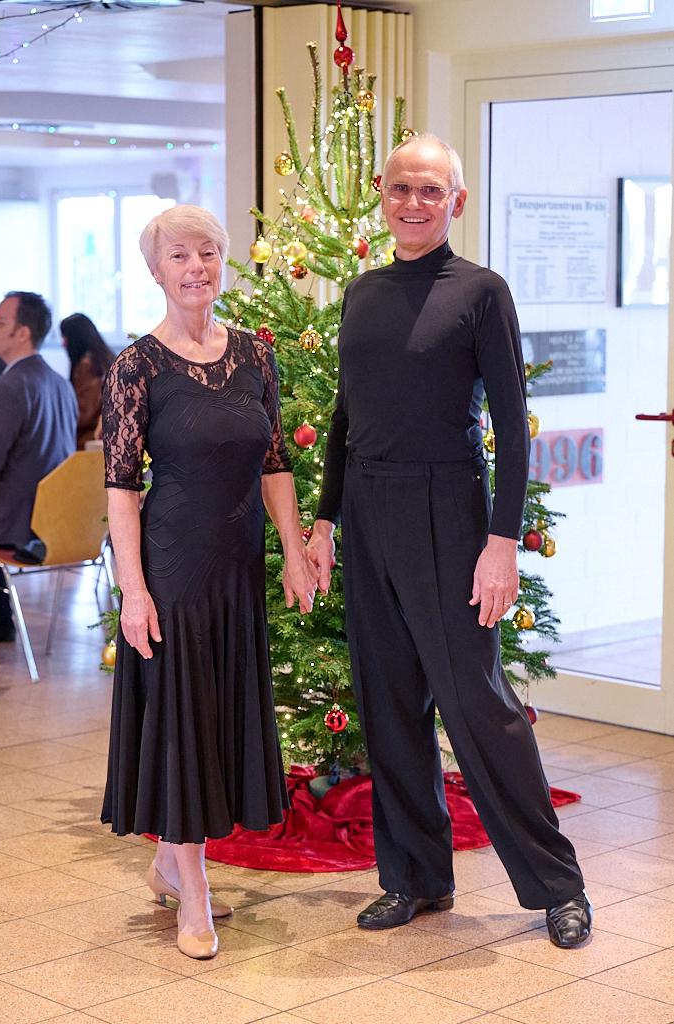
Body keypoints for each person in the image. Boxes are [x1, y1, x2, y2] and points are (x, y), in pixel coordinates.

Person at [307, 135, 592, 949]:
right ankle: (414, 879)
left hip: (449, 510)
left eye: (430, 190)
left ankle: (556, 887)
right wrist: (326, 518)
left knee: (479, 706)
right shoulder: (360, 292)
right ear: (380, 192)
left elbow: (510, 425)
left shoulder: (480, 292)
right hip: (365, 511)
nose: (412, 202)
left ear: (455, 202)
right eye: (400, 188)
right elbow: (343, 417)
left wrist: (500, 542)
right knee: (389, 704)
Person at [100, 204, 316, 961]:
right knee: (185, 721)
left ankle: (168, 861)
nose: (196, 267)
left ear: (222, 264)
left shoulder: (256, 356)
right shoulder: (137, 367)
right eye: (180, 256)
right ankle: (192, 891)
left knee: (216, 717)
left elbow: (274, 464)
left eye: (208, 253)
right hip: (173, 568)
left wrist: (291, 550)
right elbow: (121, 485)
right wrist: (133, 587)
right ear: (156, 271)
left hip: (237, 570)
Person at [0, 292, 77, 642]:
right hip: (58, 523)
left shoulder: (9, 387)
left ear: (22, 333)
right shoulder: (60, 384)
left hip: (16, 524)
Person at [60, 313, 115, 449]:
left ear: (76, 338)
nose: (63, 343)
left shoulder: (87, 365)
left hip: (88, 441)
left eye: (65, 337)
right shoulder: (106, 359)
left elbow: (84, 412)